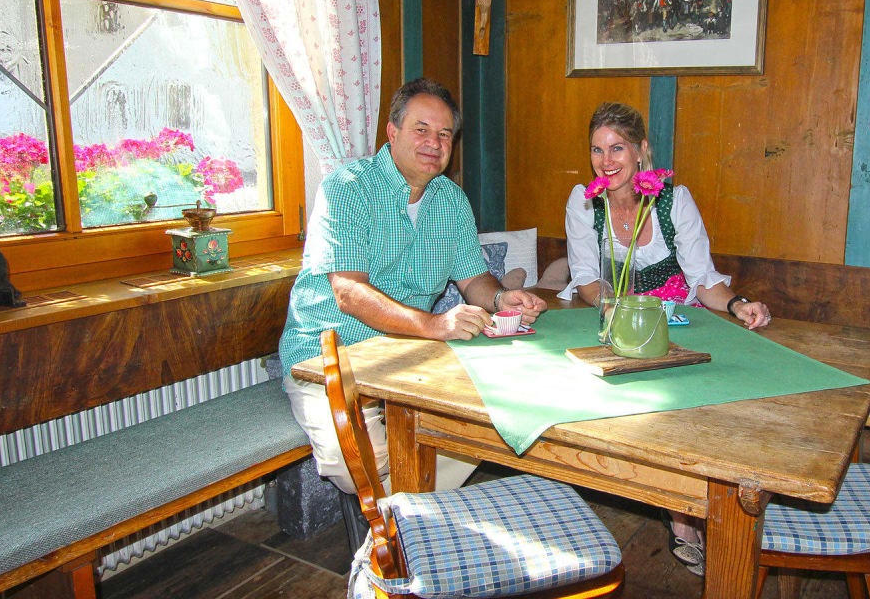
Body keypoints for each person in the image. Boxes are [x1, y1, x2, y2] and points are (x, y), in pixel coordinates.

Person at [279, 77, 548, 496]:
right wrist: (435, 325)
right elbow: (348, 292)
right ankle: (408, 514)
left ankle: (394, 519)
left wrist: (500, 298)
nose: (434, 143)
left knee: (493, 420)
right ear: (392, 131)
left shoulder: (451, 201)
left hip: (411, 356)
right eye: (421, 129)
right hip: (332, 354)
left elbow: (474, 279)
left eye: (444, 134)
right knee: (354, 467)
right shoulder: (346, 189)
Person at [559, 101, 771, 576]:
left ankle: (697, 507)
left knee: (692, 406)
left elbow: (703, 279)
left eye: (617, 148)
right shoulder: (585, 200)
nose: (606, 161)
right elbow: (587, 278)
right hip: (613, 314)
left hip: (676, 319)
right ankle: (680, 511)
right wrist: (620, 310)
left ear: (641, 151)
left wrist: (738, 305)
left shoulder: (673, 201)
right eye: (597, 150)